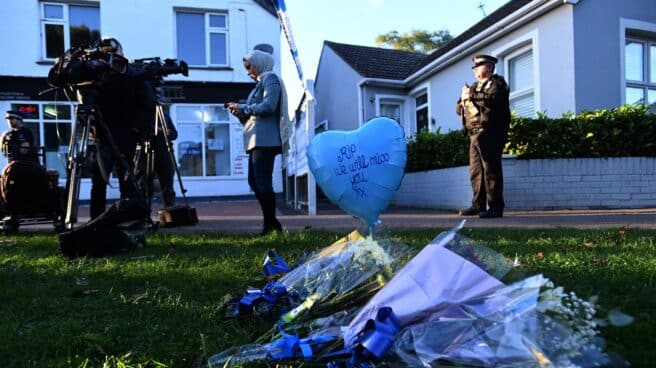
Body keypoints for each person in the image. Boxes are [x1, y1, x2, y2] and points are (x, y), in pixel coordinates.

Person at [226, 49, 288, 234]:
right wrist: (239, 112)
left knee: (261, 182)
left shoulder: (269, 79)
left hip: (264, 141)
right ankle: (272, 223)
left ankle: (270, 225)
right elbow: (255, 115)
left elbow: (269, 106)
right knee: (255, 182)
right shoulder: (262, 82)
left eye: (249, 67)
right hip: (257, 140)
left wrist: (243, 107)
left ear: (259, 63)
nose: (248, 72)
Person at [89, 37, 152, 219]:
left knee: (127, 182)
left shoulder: (131, 76)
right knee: (99, 182)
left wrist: (138, 131)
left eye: (114, 55)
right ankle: (96, 222)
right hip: (102, 137)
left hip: (125, 136)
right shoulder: (96, 76)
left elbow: (145, 105)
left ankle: (127, 219)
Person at [456, 54, 511, 219]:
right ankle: (478, 205)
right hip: (473, 133)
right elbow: (459, 109)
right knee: (476, 171)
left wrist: (471, 97)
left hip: (490, 132)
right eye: (474, 67)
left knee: (491, 170)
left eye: (477, 66)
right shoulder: (472, 87)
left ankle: (495, 207)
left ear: (489, 67)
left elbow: (494, 100)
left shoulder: (498, 84)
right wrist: (462, 101)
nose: (474, 69)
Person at [133, 108, 178, 208]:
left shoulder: (164, 116)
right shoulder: (140, 114)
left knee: (167, 182)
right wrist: (157, 130)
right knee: (142, 184)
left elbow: (174, 134)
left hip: (163, 152)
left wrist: (164, 132)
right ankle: (142, 213)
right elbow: (137, 130)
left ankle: (169, 210)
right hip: (144, 151)